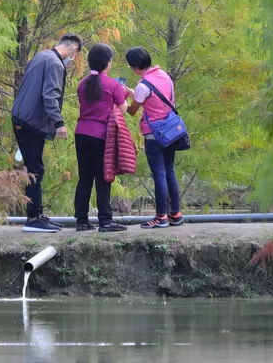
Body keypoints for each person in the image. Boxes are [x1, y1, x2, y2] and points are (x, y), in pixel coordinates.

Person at [12, 34, 82, 233]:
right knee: (35, 170)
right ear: (74, 50)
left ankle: (38, 214)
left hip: (22, 117)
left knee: (35, 167)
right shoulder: (55, 64)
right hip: (30, 122)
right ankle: (34, 218)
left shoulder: (41, 56)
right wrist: (59, 122)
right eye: (75, 55)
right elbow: (50, 94)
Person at [125, 47, 184, 229]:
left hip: (154, 135)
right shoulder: (164, 76)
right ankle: (175, 214)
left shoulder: (143, 86)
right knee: (170, 171)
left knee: (159, 173)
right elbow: (157, 99)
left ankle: (160, 217)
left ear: (135, 67)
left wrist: (123, 99)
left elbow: (133, 111)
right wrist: (134, 93)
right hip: (172, 131)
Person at [74, 43, 128, 233]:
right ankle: (105, 221)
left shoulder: (82, 83)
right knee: (103, 178)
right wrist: (124, 94)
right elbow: (124, 110)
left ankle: (81, 220)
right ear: (108, 63)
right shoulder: (113, 85)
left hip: (81, 133)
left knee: (84, 178)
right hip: (101, 135)